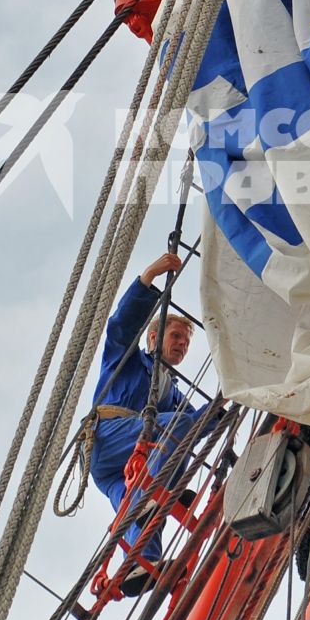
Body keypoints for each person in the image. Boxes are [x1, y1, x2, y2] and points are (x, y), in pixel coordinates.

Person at [89, 251, 210, 595]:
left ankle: (138, 567)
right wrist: (148, 277)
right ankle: (151, 495)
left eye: (186, 343)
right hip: (109, 438)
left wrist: (229, 400)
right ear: (154, 339)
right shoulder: (128, 360)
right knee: (177, 429)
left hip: (118, 472)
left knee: (139, 514)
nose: (182, 346)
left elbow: (199, 422)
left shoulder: (172, 393)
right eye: (176, 337)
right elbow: (120, 327)